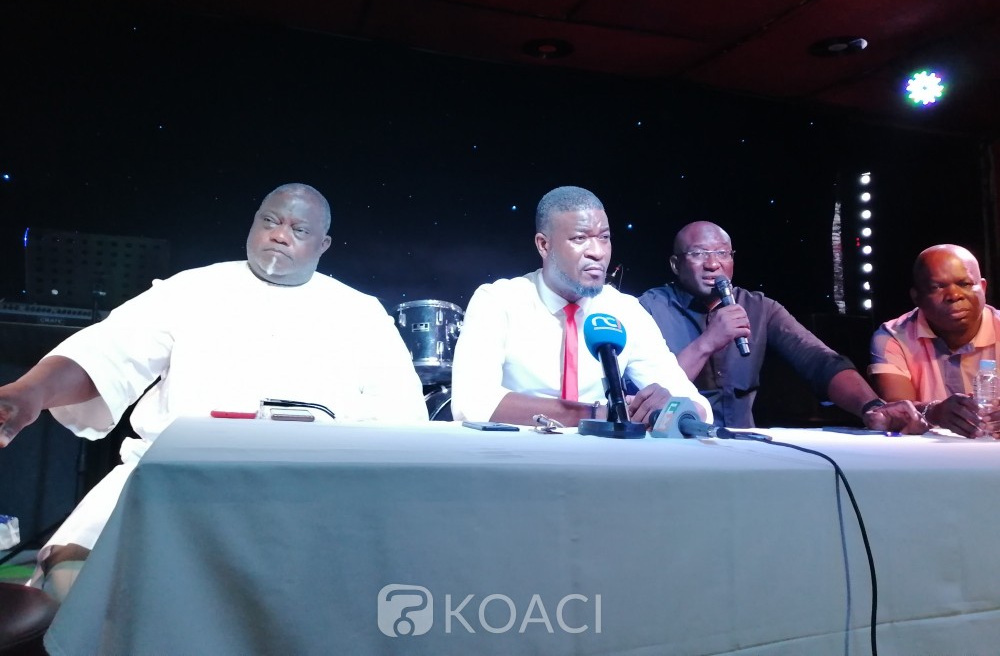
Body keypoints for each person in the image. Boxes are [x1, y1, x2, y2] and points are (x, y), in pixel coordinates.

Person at [0, 183, 427, 599]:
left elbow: (401, 422)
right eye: (271, 221)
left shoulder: (361, 314)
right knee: (70, 585)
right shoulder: (191, 290)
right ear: (253, 224)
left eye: (299, 230)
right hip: (169, 481)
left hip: (315, 495)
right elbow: (107, 354)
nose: (281, 235)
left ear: (323, 244)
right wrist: (30, 391)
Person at [450, 186, 711, 427]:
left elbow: (700, 410)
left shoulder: (627, 311)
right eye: (579, 238)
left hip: (602, 459)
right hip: (515, 456)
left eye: (604, 237)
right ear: (544, 245)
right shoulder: (498, 301)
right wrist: (597, 414)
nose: (598, 252)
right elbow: (471, 404)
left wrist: (670, 407)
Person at [638, 220, 923, 432]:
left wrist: (872, 407)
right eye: (699, 254)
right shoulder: (648, 308)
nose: (713, 264)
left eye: (723, 253)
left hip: (741, 446)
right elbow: (647, 391)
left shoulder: (759, 308)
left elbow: (819, 361)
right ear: (675, 264)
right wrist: (708, 342)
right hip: (676, 447)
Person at [870, 243, 1000, 438]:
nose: (954, 295)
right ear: (917, 297)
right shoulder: (893, 337)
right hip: (926, 454)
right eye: (937, 287)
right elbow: (897, 411)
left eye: (964, 284)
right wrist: (933, 411)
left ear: (982, 287)